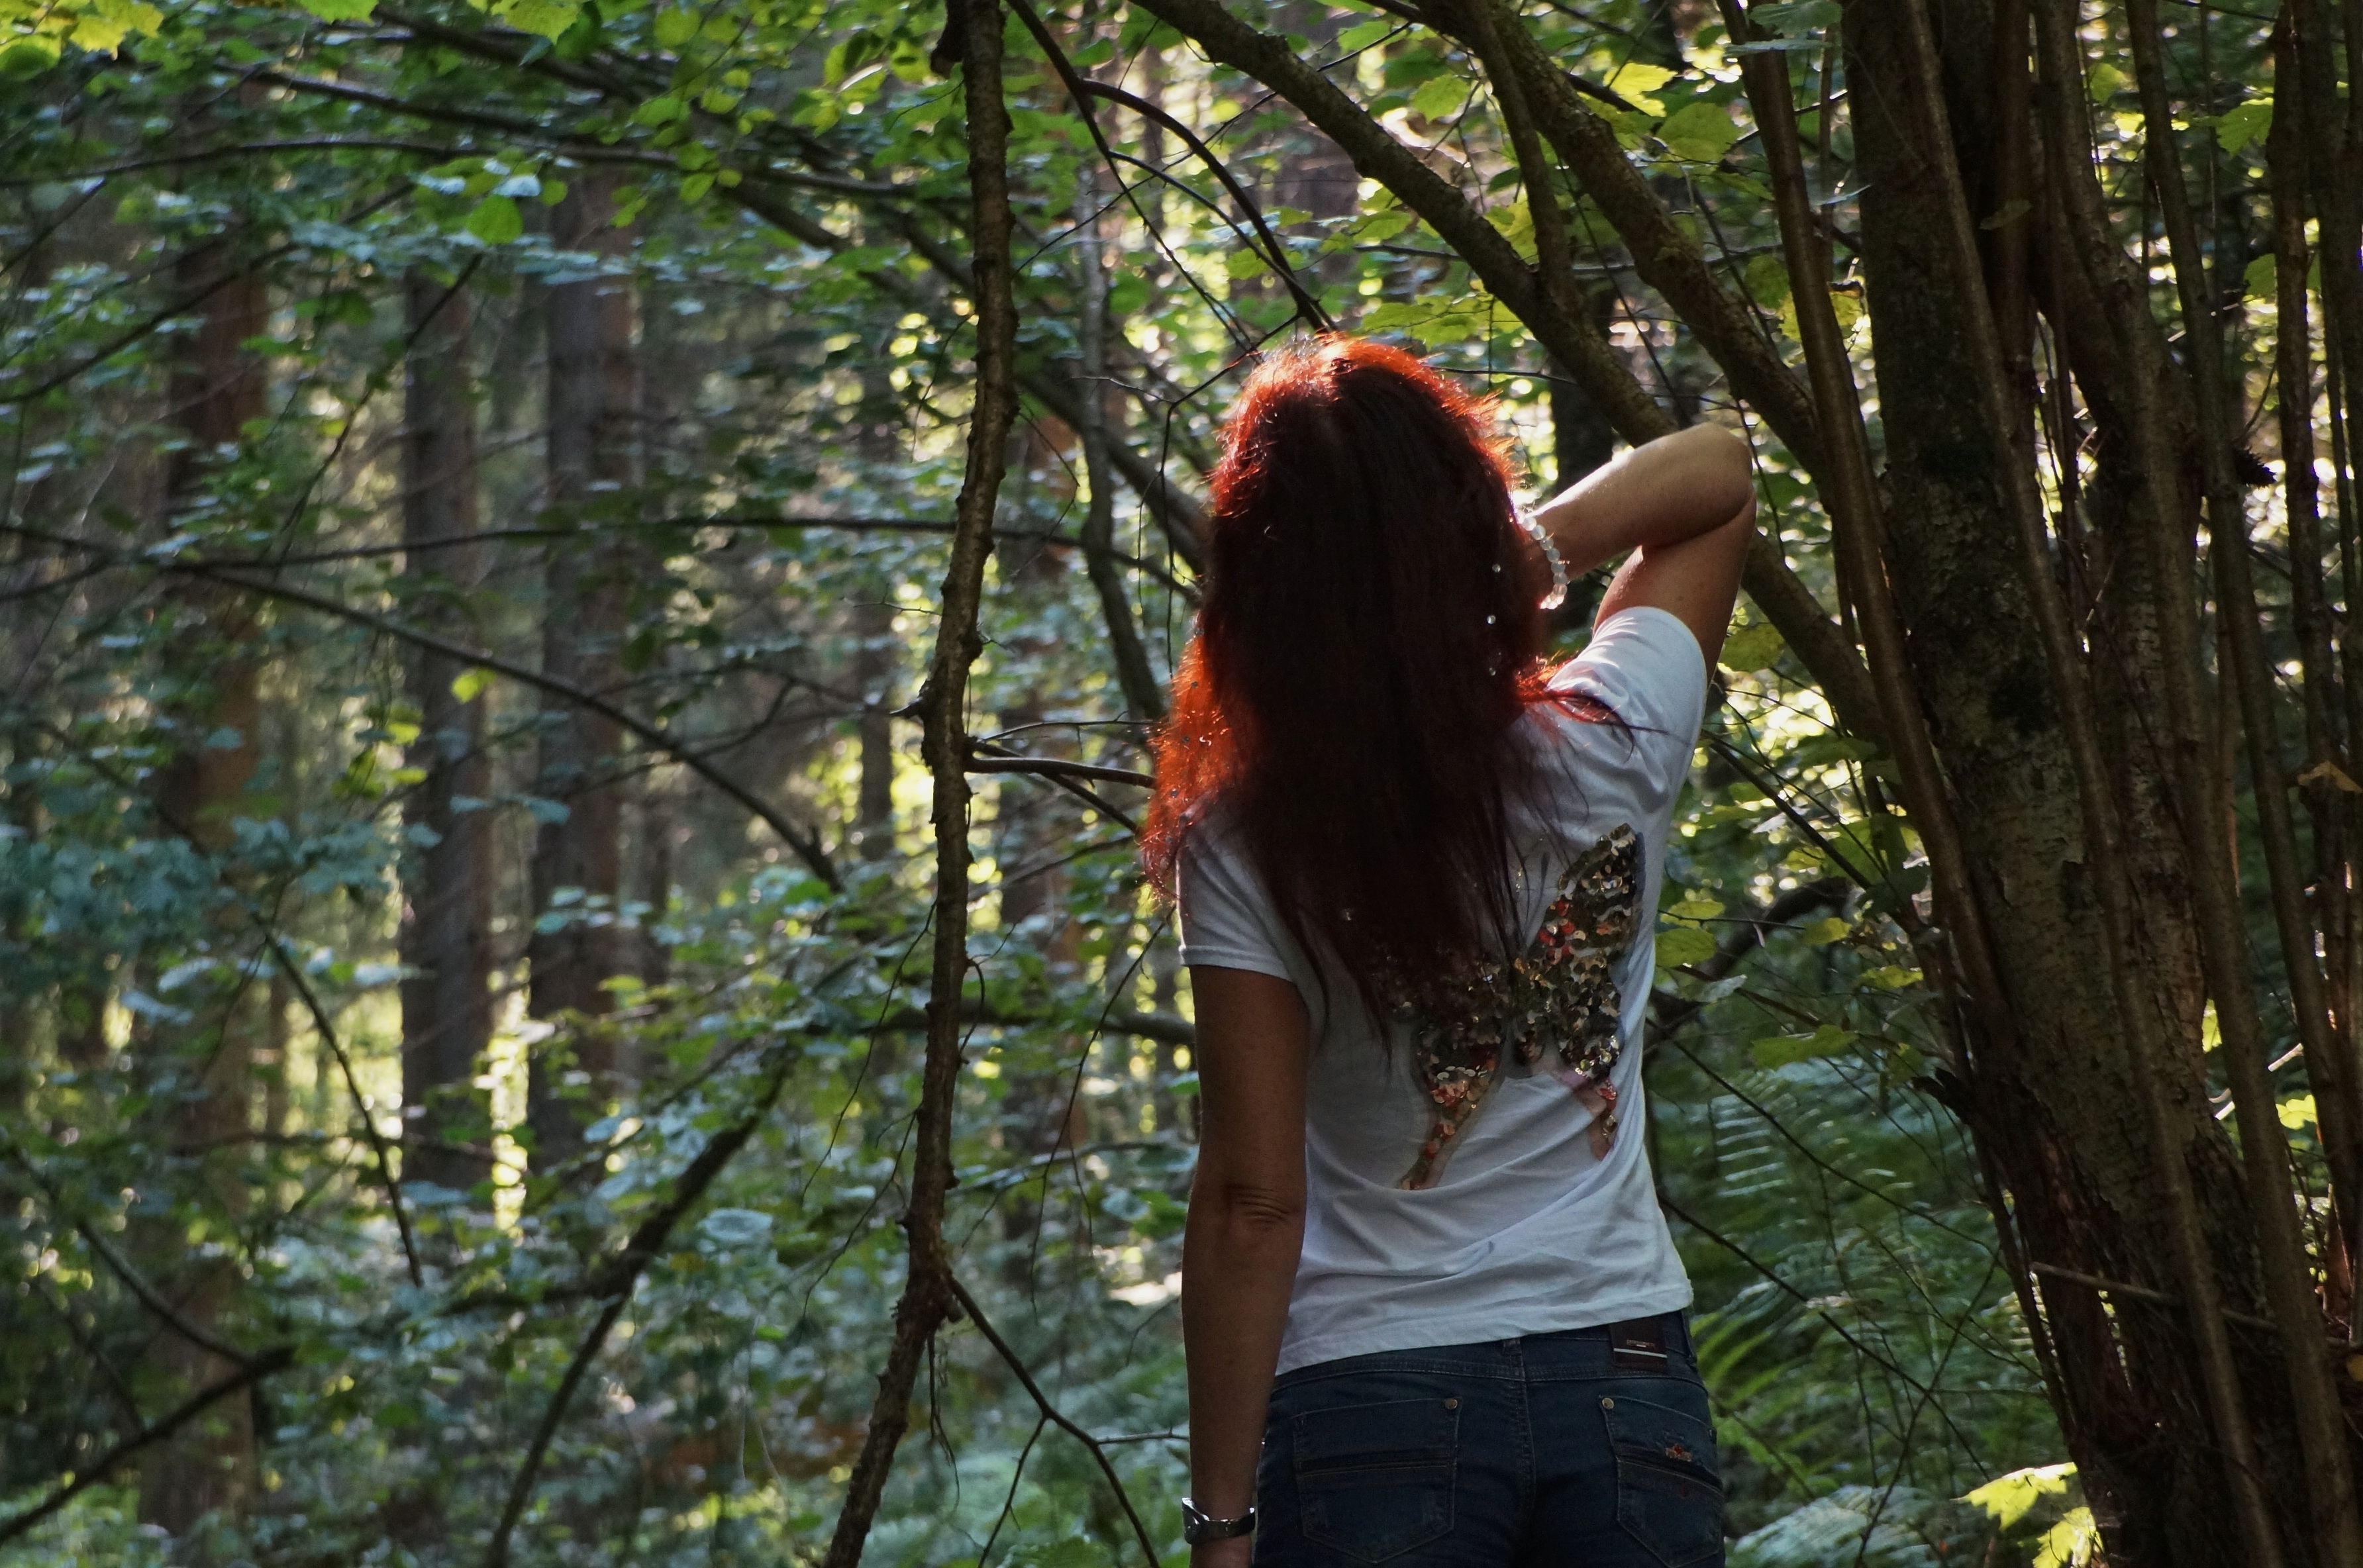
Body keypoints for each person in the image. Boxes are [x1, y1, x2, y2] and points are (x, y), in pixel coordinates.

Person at [1141, 336, 1753, 1567]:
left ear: (1260, 591)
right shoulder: (1612, 737)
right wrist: (1520, 558)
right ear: (1470, 516)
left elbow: (1254, 1202)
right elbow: (1720, 473)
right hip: (1622, 1391)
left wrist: (1221, 1530)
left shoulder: (1247, 842)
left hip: (1368, 1407)